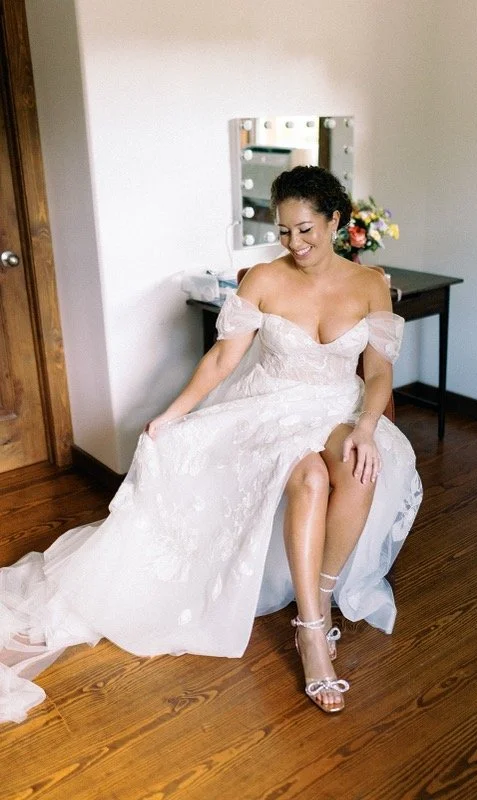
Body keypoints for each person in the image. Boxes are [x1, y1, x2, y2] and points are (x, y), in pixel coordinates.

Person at [0, 167, 422, 723]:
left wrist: (367, 425)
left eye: (306, 230)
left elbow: (377, 374)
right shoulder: (265, 279)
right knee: (311, 478)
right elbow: (223, 359)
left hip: (336, 407)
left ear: (336, 221)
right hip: (268, 407)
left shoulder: (371, 284)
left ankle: (318, 594)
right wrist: (169, 416)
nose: (294, 244)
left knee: (359, 467)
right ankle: (311, 632)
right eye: (284, 231)